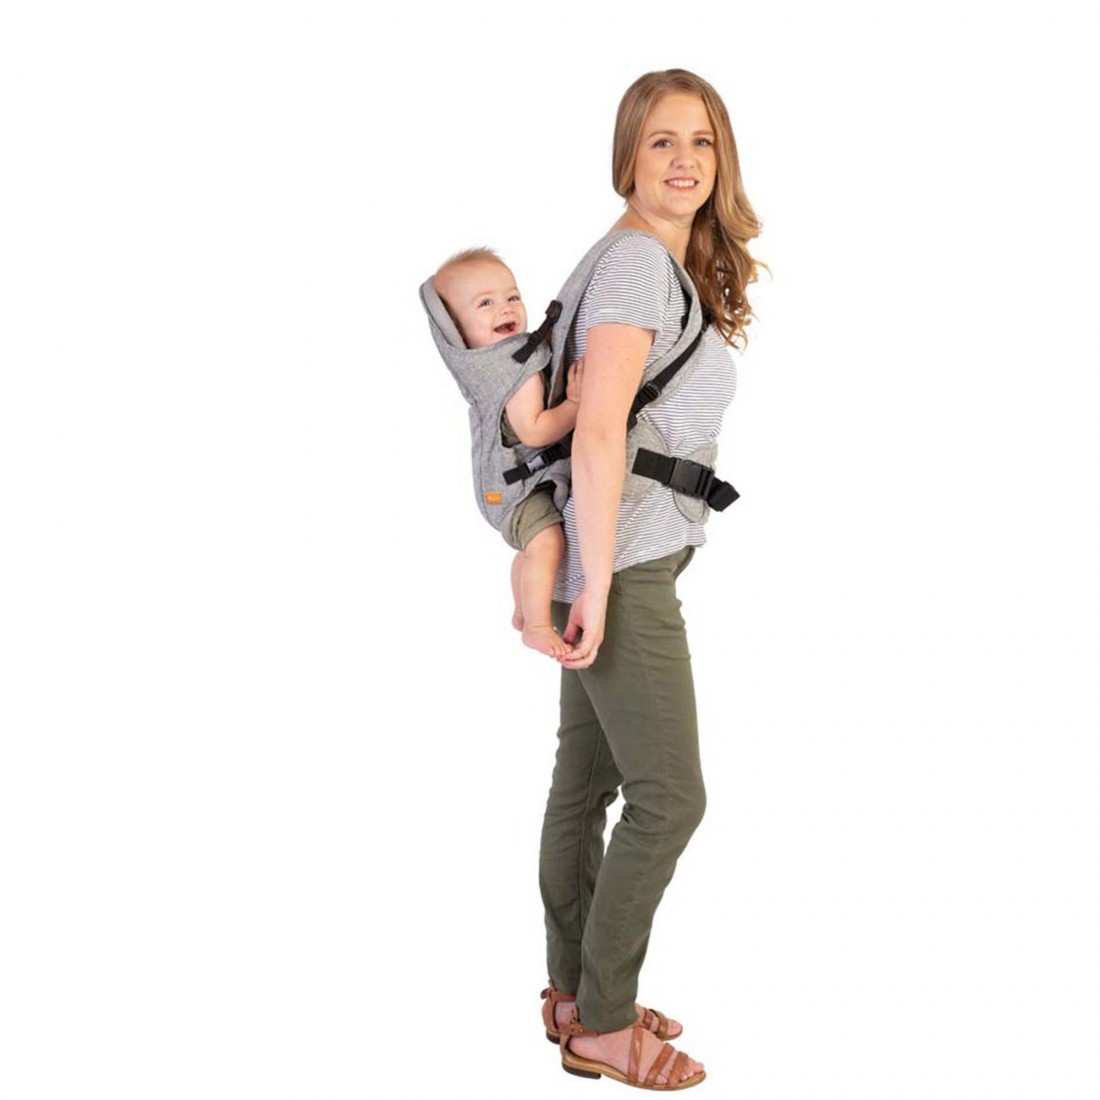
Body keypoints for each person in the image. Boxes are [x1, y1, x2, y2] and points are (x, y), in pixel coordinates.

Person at [537, 69, 767, 1090]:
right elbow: (596, 432)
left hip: (607, 555)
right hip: (620, 564)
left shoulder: (641, 257)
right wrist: (595, 582)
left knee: (585, 783)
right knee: (670, 797)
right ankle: (604, 1022)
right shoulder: (636, 264)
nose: (684, 160)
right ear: (626, 152)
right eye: (662, 140)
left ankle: (575, 997)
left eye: (702, 142)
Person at [432, 248, 584, 658]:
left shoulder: (493, 362)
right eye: (485, 303)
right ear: (457, 331)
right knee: (547, 541)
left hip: (502, 488)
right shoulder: (515, 368)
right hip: (516, 492)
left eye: (512, 296)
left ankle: (522, 607)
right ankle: (536, 625)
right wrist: (574, 403)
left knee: (530, 549)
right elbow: (535, 430)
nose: (505, 307)